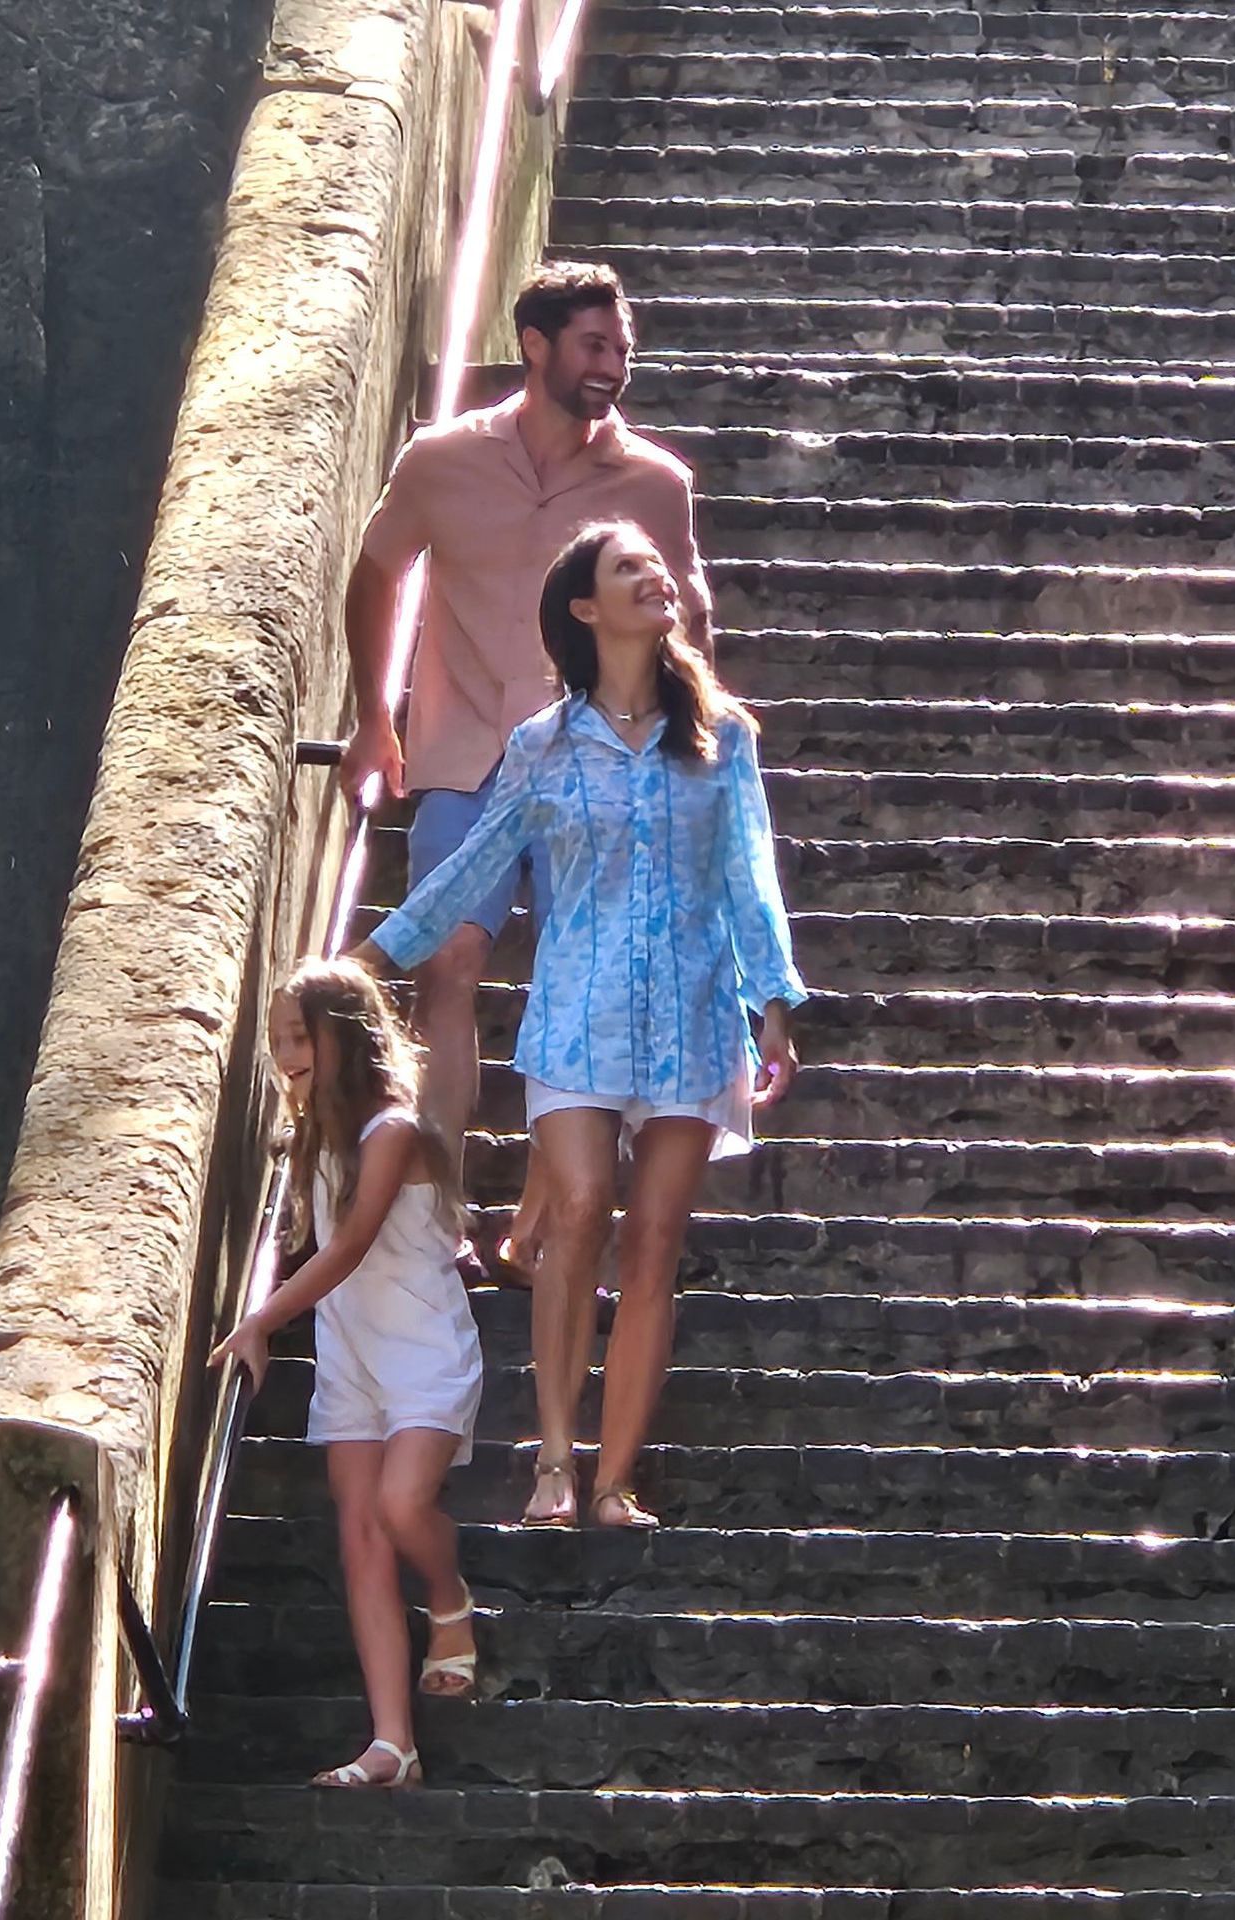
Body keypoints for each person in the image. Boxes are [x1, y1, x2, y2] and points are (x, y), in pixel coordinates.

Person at [354, 522, 805, 1530]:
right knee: (582, 1204)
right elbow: (475, 867)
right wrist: (375, 956)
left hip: (693, 1016)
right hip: (576, 1015)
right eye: (628, 568)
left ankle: (613, 1481)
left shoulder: (722, 739)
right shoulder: (542, 745)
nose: (656, 577)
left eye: (657, 565)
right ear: (584, 610)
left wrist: (772, 1002)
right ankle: (554, 1459)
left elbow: (750, 874)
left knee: (654, 1241)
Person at [340, 262, 712, 1280]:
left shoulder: (654, 483)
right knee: (447, 962)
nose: (613, 367)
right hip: (466, 753)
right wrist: (373, 719)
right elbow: (377, 570)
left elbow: (689, 620)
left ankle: (538, 1226)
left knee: (580, 986)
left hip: (598, 770)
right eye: (594, 346)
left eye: (622, 349)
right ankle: (439, 1211)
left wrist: (689, 751)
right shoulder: (442, 458)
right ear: (534, 345)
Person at [210, 958, 484, 1788]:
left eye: (301, 1038)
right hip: (350, 1356)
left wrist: (261, 1319)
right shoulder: (315, 1142)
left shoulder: (391, 1131)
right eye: (278, 1042)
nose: (286, 1056)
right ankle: (392, 1743)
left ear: (346, 1038)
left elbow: (353, 1244)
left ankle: (450, 1601)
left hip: (425, 1348)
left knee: (402, 1506)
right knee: (361, 1535)